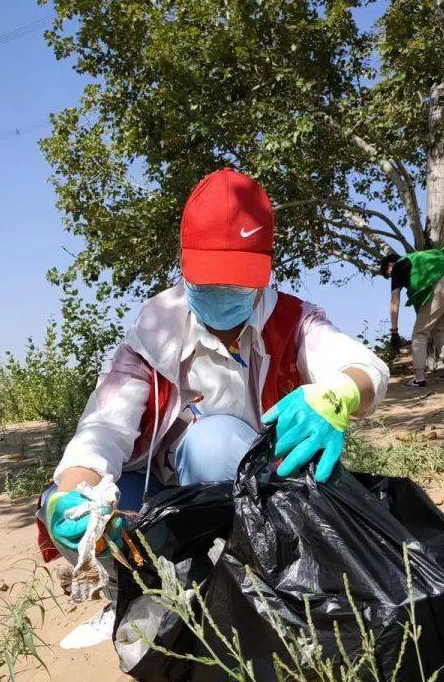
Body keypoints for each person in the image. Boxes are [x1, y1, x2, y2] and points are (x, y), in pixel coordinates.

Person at [36, 168, 390, 645]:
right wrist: (72, 494)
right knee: (66, 503)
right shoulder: (156, 332)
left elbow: (363, 367)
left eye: (238, 281)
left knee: (214, 442)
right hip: (165, 492)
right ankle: (135, 594)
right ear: (185, 267)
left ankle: (251, 593)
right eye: (210, 279)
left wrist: (339, 394)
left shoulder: (292, 321)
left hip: (262, 492)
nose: (223, 292)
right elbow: (103, 429)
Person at [380, 248, 444, 388]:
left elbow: (394, 300)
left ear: (389, 266)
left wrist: (394, 331)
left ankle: (419, 379)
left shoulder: (398, 265)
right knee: (440, 327)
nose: (391, 278)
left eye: (388, 275)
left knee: (419, 332)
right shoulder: (419, 258)